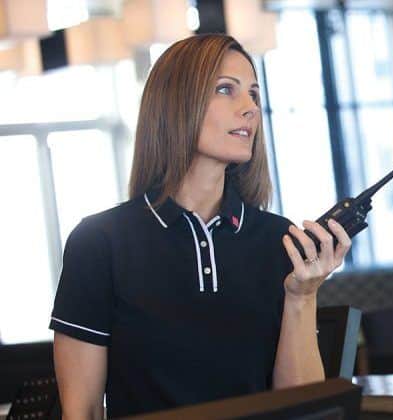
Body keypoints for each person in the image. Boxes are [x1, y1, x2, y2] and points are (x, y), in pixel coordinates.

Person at [48, 34, 351, 419]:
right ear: (177, 104)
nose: (250, 109)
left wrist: (303, 295)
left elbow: (301, 411)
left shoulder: (279, 240)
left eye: (254, 95)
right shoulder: (100, 242)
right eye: (227, 90)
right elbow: (83, 411)